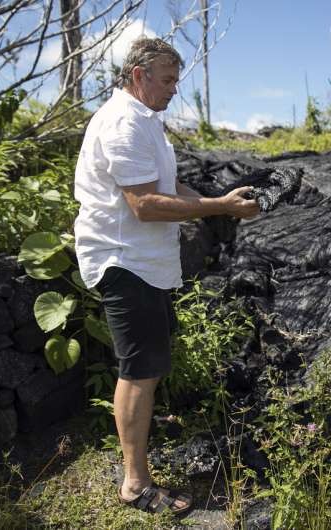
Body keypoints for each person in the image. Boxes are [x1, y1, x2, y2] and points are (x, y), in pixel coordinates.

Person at [73, 37, 260, 515]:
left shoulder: (146, 122)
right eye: (168, 79)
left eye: (177, 79)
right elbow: (143, 205)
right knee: (138, 371)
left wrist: (215, 205)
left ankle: (137, 470)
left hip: (145, 261)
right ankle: (135, 485)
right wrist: (219, 206)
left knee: (149, 367)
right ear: (139, 76)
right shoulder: (121, 124)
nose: (175, 89)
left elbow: (167, 187)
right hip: (123, 259)